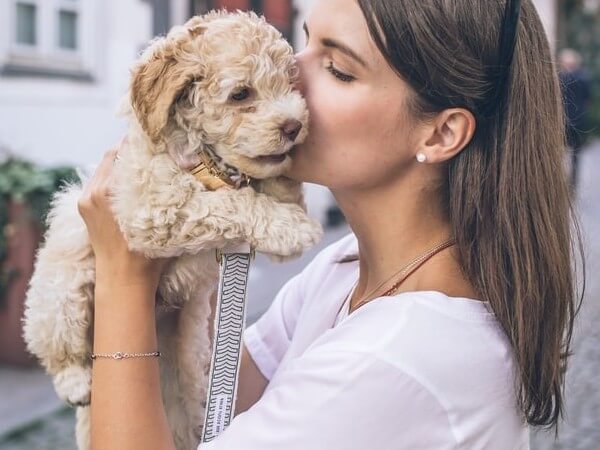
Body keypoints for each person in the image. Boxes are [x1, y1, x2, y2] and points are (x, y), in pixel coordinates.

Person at [78, 0, 583, 448]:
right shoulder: (342, 270)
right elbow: (216, 401)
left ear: (441, 132)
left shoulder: (397, 358)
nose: (289, 74)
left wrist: (123, 276)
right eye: (303, 43)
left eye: (338, 68)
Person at [558, 48, 592, 193]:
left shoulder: (560, 78)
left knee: (560, 152)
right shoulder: (584, 78)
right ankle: (573, 182)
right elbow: (588, 100)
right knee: (575, 154)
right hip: (579, 120)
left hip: (563, 120)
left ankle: (561, 180)